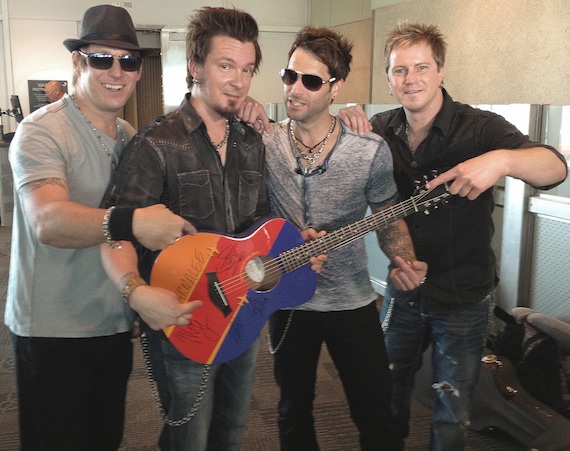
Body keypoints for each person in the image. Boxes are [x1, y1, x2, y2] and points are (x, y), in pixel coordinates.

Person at [337, 21, 568, 450]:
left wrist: (501, 161)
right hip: (403, 288)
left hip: (463, 294)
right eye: (400, 70)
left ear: (441, 71)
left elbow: (555, 167)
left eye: (421, 67)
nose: (411, 80)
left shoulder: (479, 128)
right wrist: (343, 118)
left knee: (451, 413)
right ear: (388, 79)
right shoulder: (381, 128)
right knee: (385, 395)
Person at [100, 7, 324, 451]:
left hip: (244, 313)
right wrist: (136, 294)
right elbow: (116, 230)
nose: (238, 81)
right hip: (182, 317)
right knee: (189, 438)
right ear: (194, 66)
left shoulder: (249, 142)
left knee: (232, 432)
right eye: (225, 66)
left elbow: (256, 226)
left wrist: (293, 245)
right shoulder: (157, 144)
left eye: (246, 69)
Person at [5, 5, 197, 451]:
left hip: (112, 323)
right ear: (78, 62)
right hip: (52, 332)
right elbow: (47, 221)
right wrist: (132, 221)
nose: (117, 72)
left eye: (128, 61)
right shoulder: (42, 132)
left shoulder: (130, 136)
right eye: (101, 58)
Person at [261, 26, 427, 451]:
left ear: (335, 88)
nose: (295, 89)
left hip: (351, 301)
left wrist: (402, 261)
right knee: (292, 410)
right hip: (287, 298)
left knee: (375, 411)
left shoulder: (368, 149)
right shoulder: (264, 140)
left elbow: (388, 216)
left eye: (311, 81)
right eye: (289, 76)